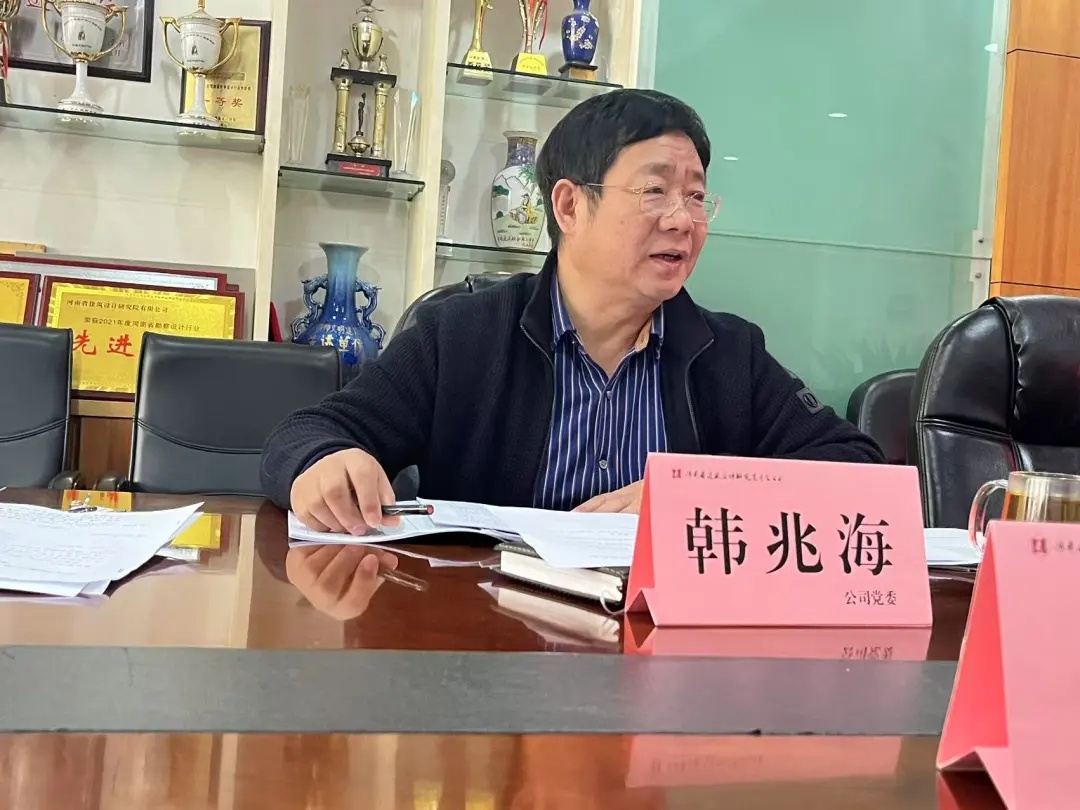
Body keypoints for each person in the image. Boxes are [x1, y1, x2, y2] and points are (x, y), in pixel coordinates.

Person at [261, 89, 883, 535]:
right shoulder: (463, 335)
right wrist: (324, 463)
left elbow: (858, 471)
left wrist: (690, 499)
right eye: (655, 191)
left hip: (660, 647)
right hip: (489, 641)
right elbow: (306, 434)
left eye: (696, 196)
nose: (683, 220)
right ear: (568, 207)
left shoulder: (728, 354)